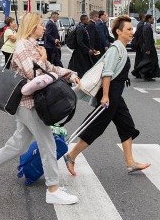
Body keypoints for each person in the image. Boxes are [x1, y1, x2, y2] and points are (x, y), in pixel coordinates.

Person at [0, 12, 82, 205]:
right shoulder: (22, 46)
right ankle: (53, 189)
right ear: (32, 27)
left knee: (18, 144)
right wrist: (44, 57)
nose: (44, 28)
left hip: (28, 104)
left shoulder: (34, 46)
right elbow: (33, 74)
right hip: (29, 104)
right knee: (48, 145)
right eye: (40, 24)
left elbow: (51, 69)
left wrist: (70, 74)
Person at [63, 15, 151, 176]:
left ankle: (130, 163)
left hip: (116, 95)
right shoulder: (115, 49)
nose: (132, 32)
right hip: (109, 94)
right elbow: (107, 74)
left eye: (132, 29)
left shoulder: (121, 48)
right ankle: (71, 155)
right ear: (118, 31)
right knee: (95, 126)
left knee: (127, 125)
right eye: (129, 29)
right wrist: (105, 96)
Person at [134, 14, 160, 81]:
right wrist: (148, 49)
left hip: (148, 47)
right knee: (150, 62)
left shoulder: (146, 26)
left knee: (150, 62)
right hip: (149, 47)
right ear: (149, 19)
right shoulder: (147, 27)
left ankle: (148, 75)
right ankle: (145, 74)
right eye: (152, 18)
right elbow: (147, 39)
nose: (153, 20)